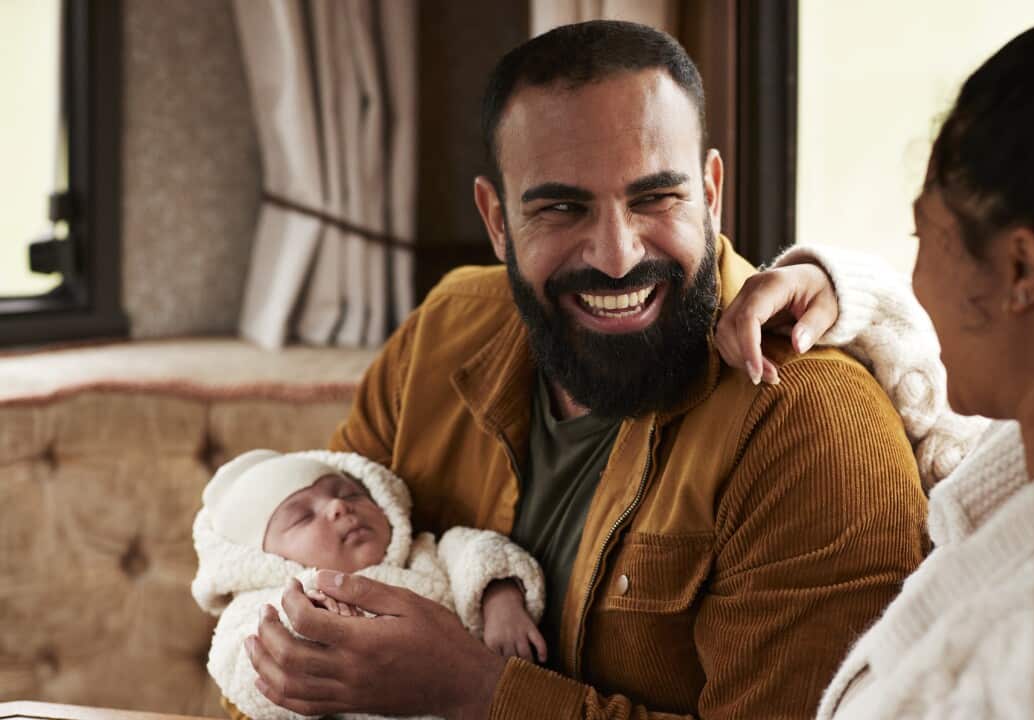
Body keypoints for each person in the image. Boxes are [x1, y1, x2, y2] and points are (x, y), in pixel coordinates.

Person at [239, 20, 933, 720]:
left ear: (711, 191)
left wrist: (476, 692)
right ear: (497, 219)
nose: (617, 255)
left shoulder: (813, 428)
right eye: (562, 208)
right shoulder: (443, 334)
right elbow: (281, 609)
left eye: (655, 198)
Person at [716, 20, 1034, 718]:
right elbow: (949, 436)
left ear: (1021, 269)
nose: (914, 279)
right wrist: (848, 293)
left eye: (926, 236)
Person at [192, 449, 546, 720]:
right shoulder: (264, 603)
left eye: (349, 494)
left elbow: (480, 551)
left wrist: (501, 600)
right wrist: (301, 629)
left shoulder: (426, 552)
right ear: (265, 558)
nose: (336, 507)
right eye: (302, 516)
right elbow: (236, 664)